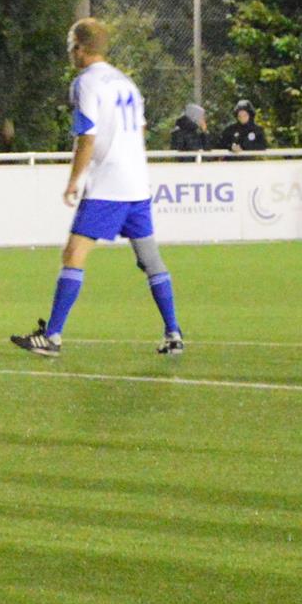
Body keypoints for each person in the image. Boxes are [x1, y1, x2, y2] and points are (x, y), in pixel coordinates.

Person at [12, 18, 183, 358]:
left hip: (108, 185)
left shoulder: (86, 83)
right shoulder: (126, 82)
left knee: (74, 254)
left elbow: (86, 136)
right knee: (150, 259)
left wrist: (74, 180)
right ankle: (173, 333)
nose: (69, 52)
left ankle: (53, 337)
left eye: (70, 45)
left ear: (80, 47)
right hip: (136, 183)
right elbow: (141, 129)